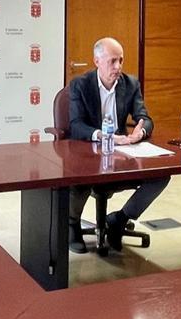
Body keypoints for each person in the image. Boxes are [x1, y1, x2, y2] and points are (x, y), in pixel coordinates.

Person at [66, 37, 169, 253]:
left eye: (120, 60)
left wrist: (141, 130)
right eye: (112, 61)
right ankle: (72, 223)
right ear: (97, 61)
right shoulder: (80, 85)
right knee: (81, 178)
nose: (118, 67)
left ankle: (120, 219)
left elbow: (145, 117)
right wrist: (103, 136)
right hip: (89, 154)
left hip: (120, 156)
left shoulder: (130, 84)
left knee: (161, 175)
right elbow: (76, 125)